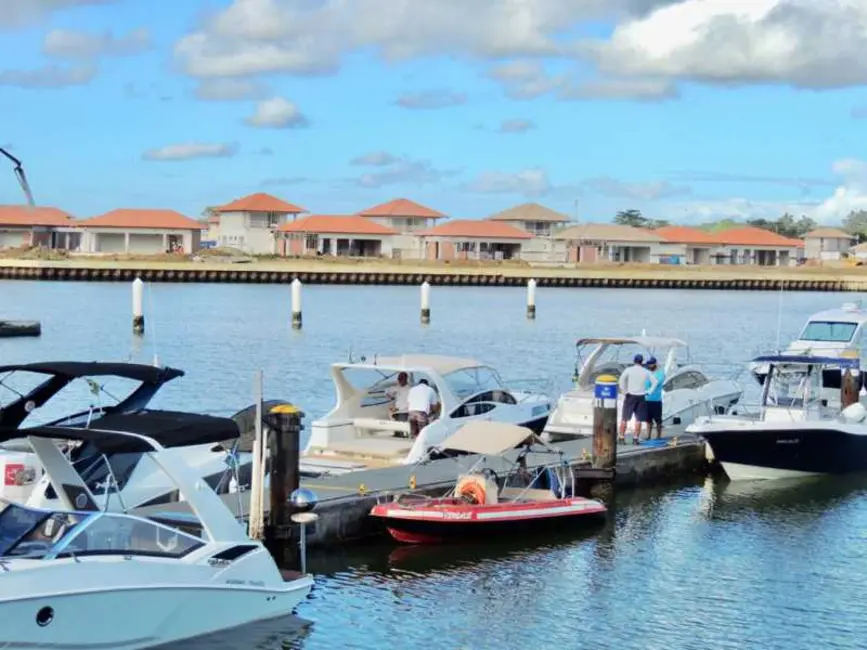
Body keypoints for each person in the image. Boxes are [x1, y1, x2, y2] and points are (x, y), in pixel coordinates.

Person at [618, 353, 658, 445]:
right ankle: (635, 438)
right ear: (642, 362)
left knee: (625, 418)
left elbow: (621, 381)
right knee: (638, 419)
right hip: (641, 396)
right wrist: (649, 391)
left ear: (634, 361)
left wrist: (624, 391)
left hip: (630, 395)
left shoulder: (628, 370)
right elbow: (655, 382)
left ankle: (621, 437)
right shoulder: (646, 371)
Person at [643, 356, 665, 440]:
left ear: (655, 363)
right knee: (648, 420)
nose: (650, 366)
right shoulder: (647, 373)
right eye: (648, 364)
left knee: (658, 419)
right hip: (646, 400)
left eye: (651, 364)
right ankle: (648, 436)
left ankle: (658, 436)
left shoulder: (660, 373)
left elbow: (656, 383)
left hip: (656, 400)